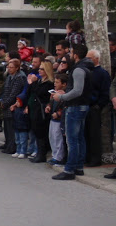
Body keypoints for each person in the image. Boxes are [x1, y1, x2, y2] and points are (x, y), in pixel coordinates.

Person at [51, 44, 93, 180]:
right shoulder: (86, 68)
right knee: (79, 138)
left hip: (75, 107)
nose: (69, 55)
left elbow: (77, 91)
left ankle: (69, 169)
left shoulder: (79, 70)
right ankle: (78, 166)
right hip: (81, 106)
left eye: (71, 53)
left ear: (75, 55)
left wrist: (61, 97)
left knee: (72, 140)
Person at [26, 61, 55, 163]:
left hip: (43, 109)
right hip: (35, 108)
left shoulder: (49, 83)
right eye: (40, 69)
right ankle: (38, 152)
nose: (40, 71)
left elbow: (40, 93)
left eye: (42, 69)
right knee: (36, 130)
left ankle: (42, 154)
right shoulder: (39, 81)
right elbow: (30, 92)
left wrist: (32, 83)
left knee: (41, 131)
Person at [0, 58, 27, 155]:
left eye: (11, 67)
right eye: (8, 67)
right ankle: (8, 144)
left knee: (11, 128)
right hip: (6, 103)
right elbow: (5, 90)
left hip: (12, 105)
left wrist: (6, 103)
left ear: (17, 68)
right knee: (7, 127)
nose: (9, 69)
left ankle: (12, 146)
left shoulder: (19, 77)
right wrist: (2, 100)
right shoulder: (9, 76)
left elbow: (14, 93)